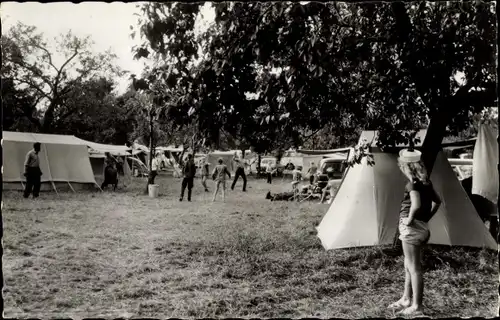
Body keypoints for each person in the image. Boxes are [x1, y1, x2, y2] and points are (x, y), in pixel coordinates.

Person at [388, 148, 442, 316]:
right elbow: (437, 202)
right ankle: (406, 298)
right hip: (422, 228)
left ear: (407, 167)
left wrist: (410, 219)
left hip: (411, 229)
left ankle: (417, 306)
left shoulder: (411, 184)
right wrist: (426, 219)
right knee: (409, 265)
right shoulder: (427, 183)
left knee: (414, 268)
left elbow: (416, 205)